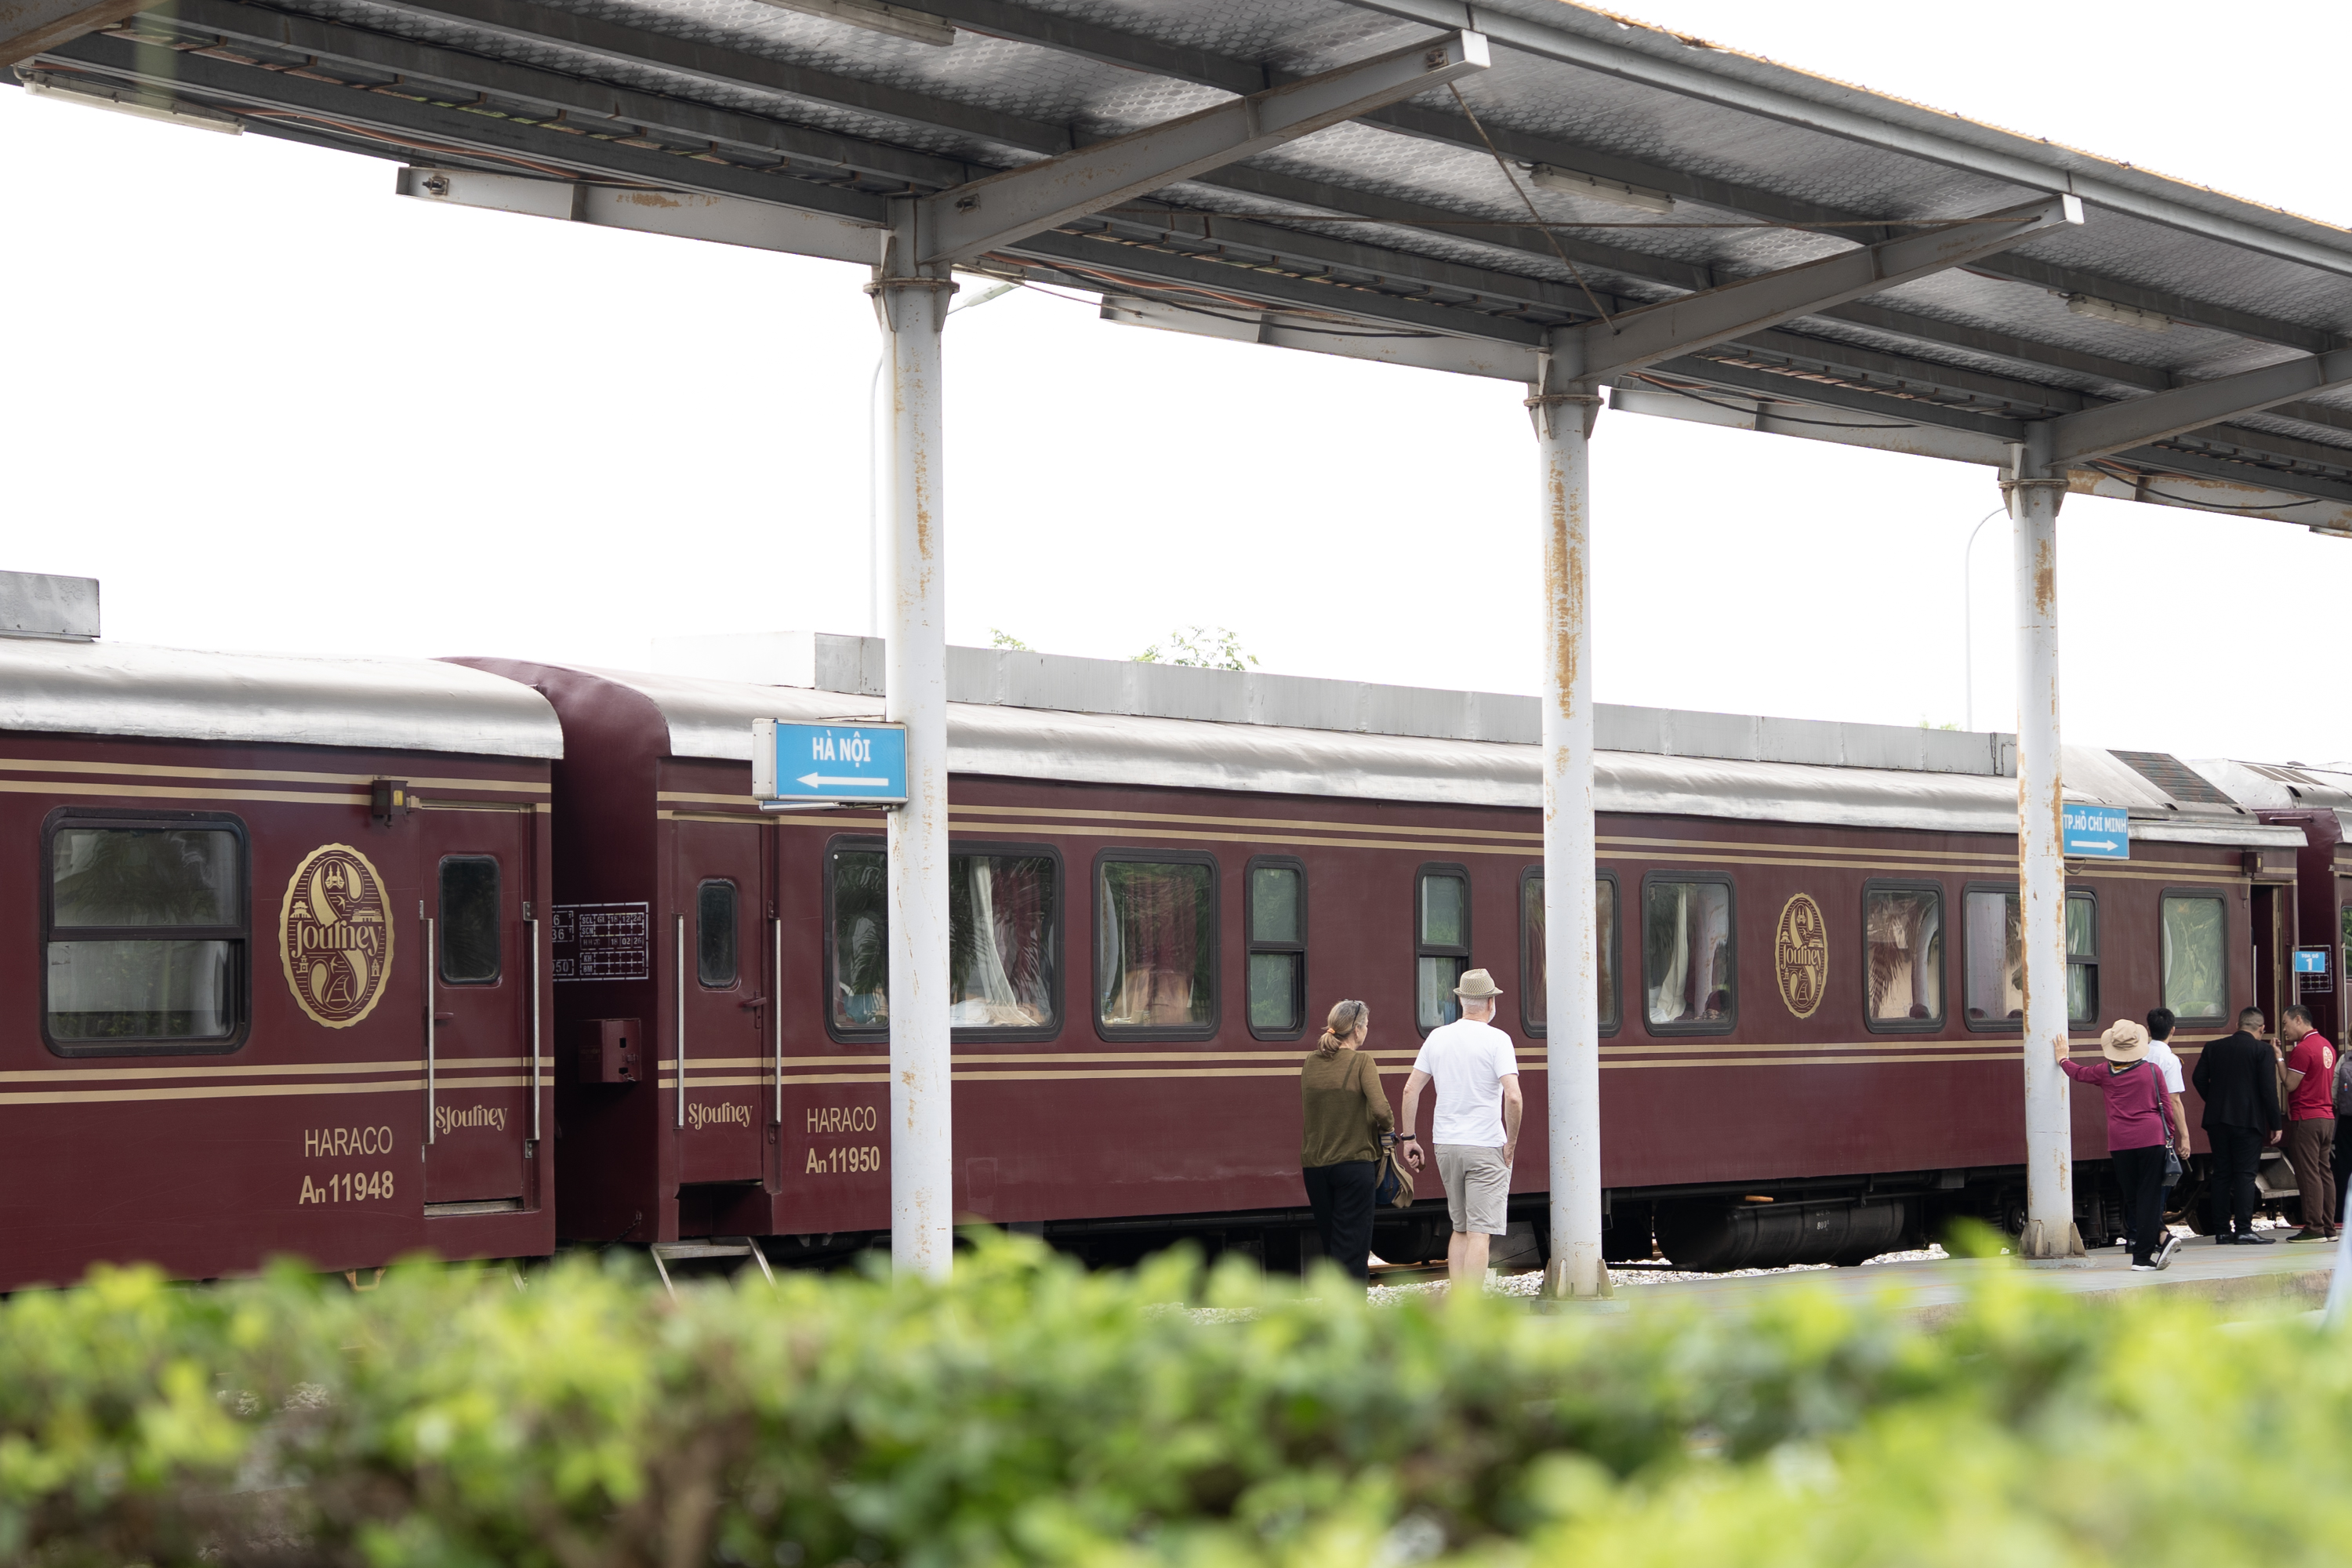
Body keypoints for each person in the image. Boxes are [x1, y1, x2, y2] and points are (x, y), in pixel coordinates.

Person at [1399, 968, 1522, 1288]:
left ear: (1461, 1002)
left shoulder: (1438, 1037)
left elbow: (1410, 1090)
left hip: (1446, 1145)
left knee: (1461, 1227)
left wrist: (1409, 1138)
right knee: (1481, 1232)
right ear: (1491, 1003)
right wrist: (1511, 1142)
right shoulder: (1499, 1040)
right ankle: (1471, 1308)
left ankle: (1458, 1302)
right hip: (1485, 1144)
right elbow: (1514, 1097)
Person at [2058, 1019, 2179, 1271]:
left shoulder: (2105, 1071)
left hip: (2121, 1143)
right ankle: (2147, 1253)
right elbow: (2167, 1108)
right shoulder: (2153, 1071)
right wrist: (2171, 1135)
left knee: (2133, 1197)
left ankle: (2158, 1240)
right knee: (2149, 1195)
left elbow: (2078, 1073)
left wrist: (2062, 1059)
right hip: (2152, 1138)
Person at [1298, 998, 1396, 1286]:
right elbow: (1381, 1109)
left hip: (1315, 1168)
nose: (1367, 1029)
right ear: (1356, 1029)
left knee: (1333, 1248)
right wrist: (1388, 1127)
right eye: (1366, 1025)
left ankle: (1334, 1315)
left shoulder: (1310, 1063)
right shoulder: (1361, 1062)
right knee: (1352, 1250)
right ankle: (1351, 1322)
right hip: (1353, 1165)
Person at [2192, 1007, 2283, 1243]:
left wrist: (2214, 1101)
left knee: (2222, 1173)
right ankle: (2243, 1229)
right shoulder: (2262, 1050)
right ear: (2261, 1029)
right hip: (2248, 1121)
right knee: (2244, 1174)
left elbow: (2198, 1078)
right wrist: (2276, 1123)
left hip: (2217, 1121)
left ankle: (2221, 1231)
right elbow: (2268, 1090)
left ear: (2237, 1025)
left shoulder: (2214, 1047)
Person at [2278, 1004, 2339, 1241]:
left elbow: (2290, 1084)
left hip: (2307, 1117)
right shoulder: (2327, 1046)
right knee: (2325, 1172)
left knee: (2308, 1173)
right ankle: (2329, 1227)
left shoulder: (2304, 1049)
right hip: (2327, 1118)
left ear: (2299, 1020)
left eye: (2286, 1023)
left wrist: (2279, 1059)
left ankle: (2314, 1228)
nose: (2284, 1029)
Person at [2140, 1007, 2197, 1250]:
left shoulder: (2138, 1054)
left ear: (2149, 1029)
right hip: (2159, 1130)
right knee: (2161, 1183)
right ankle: (2155, 1233)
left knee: (2138, 1185)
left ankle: (2136, 1234)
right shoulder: (2169, 1060)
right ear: (2173, 1030)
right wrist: (2185, 1136)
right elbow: (2174, 1101)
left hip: (2134, 1126)